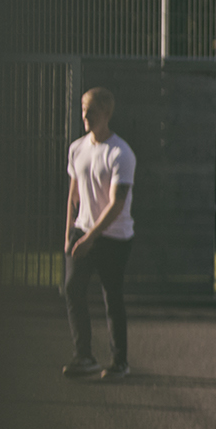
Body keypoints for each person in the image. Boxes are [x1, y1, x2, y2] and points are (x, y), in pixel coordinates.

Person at [63, 86, 136, 380]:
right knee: (71, 289)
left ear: (106, 114)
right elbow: (73, 195)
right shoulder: (77, 148)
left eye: (91, 111)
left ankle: (120, 363)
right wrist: (69, 233)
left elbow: (117, 204)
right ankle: (84, 357)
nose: (85, 116)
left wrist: (91, 237)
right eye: (83, 110)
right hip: (82, 233)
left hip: (113, 237)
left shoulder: (121, 153)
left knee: (112, 298)